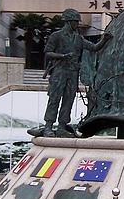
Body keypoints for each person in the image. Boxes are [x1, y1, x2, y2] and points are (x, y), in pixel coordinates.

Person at [42, 8, 112, 137]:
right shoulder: (56, 36)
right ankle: (48, 126)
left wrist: (104, 39)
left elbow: (94, 48)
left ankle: (62, 126)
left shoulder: (78, 38)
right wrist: (62, 56)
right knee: (54, 99)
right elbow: (48, 52)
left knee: (69, 100)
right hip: (59, 71)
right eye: (75, 22)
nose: (77, 24)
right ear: (68, 22)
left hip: (73, 73)